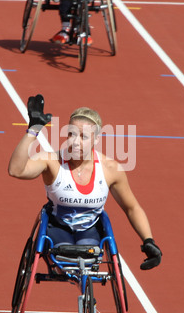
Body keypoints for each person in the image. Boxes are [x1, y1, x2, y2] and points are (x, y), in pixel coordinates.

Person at [8, 95, 162, 270]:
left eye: (83, 137)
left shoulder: (111, 169)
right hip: (58, 226)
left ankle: (86, 294)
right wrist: (33, 130)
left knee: (88, 259)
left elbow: (132, 207)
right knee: (66, 260)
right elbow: (16, 170)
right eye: (72, 134)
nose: (75, 141)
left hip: (90, 229)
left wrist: (148, 240)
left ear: (96, 140)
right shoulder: (52, 161)